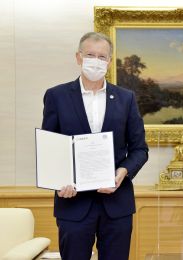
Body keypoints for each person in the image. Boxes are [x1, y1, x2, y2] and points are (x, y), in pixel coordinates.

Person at [41, 32, 148, 260]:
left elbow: (140, 149)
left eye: (102, 57)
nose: (96, 61)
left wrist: (123, 172)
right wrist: (59, 180)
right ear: (78, 57)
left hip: (117, 204)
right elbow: (49, 147)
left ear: (109, 62)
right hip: (73, 204)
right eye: (90, 55)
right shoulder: (56, 96)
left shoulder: (126, 98)